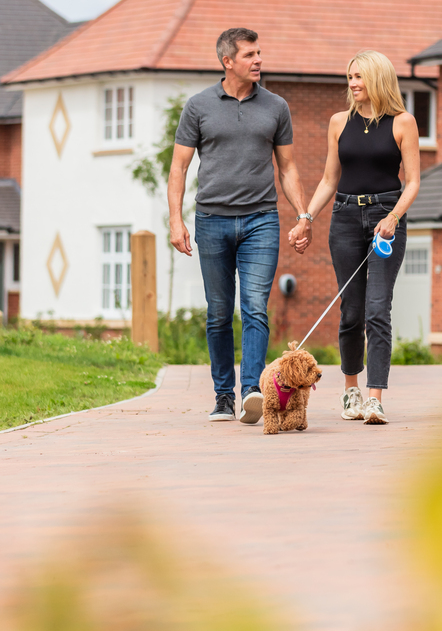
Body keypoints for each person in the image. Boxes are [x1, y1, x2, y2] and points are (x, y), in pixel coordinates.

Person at [168, 28, 312, 424]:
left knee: (254, 308)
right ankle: (222, 396)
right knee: (218, 312)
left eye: (260, 52)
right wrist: (175, 220)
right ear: (227, 61)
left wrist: (303, 214)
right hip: (211, 221)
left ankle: (251, 390)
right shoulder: (198, 106)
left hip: (261, 221)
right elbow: (179, 167)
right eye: (250, 54)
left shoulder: (276, 107)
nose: (259, 60)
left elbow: (288, 167)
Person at [303, 49, 420, 423]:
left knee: (377, 308)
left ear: (378, 79)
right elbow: (328, 180)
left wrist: (394, 216)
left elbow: (414, 182)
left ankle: (375, 398)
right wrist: (306, 217)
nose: (352, 84)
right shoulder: (339, 122)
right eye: (350, 77)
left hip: (387, 216)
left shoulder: (403, 122)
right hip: (344, 217)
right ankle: (351, 391)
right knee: (351, 310)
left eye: (359, 77)